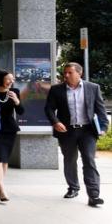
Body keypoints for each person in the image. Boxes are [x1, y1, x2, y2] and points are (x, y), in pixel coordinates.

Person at [45, 62, 109, 207]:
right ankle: (73, 188)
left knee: (89, 161)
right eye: (65, 73)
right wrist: (55, 122)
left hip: (87, 131)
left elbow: (100, 110)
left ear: (79, 73)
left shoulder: (93, 88)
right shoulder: (56, 90)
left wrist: (103, 127)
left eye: (70, 73)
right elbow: (49, 109)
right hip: (67, 131)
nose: (66, 75)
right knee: (70, 160)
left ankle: (93, 196)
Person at [0, 69, 24, 202]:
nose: (12, 81)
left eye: (12, 79)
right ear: (0, 79)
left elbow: (21, 111)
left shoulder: (14, 92)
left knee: (4, 160)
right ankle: (1, 189)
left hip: (10, 129)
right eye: (9, 79)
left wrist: (16, 101)